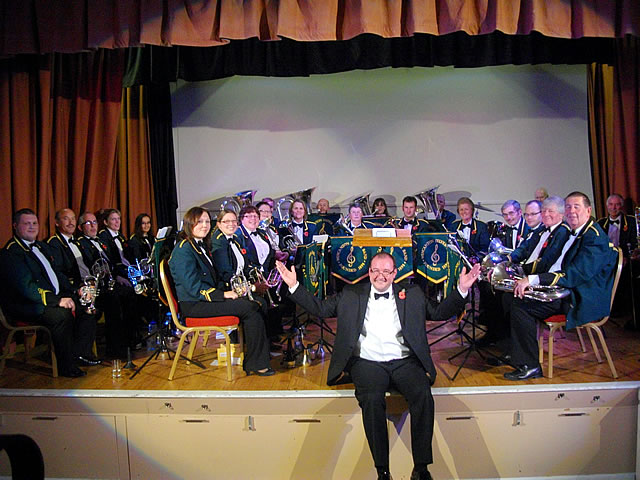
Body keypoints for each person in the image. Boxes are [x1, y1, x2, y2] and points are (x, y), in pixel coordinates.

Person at [276, 252, 481, 480]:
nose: (380, 276)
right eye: (375, 270)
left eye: (386, 271)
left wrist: (462, 290)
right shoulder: (351, 294)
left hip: (404, 361)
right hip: (367, 362)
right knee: (372, 400)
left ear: (394, 274)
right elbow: (321, 309)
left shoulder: (412, 293)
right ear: (369, 272)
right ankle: (382, 471)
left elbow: (439, 312)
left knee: (423, 395)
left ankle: (421, 468)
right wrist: (294, 286)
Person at [504, 192, 618, 381]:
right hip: (564, 289)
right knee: (511, 296)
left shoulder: (595, 238)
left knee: (520, 306)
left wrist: (533, 280)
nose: (571, 211)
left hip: (579, 297)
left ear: (588, 211)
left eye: (576, 207)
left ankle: (530, 365)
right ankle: (516, 353)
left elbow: (574, 275)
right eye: (568, 207)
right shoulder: (576, 232)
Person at [168, 207, 274, 376]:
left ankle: (258, 357)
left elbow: (213, 278)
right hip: (194, 305)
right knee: (250, 307)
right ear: (189, 224)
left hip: (205, 300)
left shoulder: (200, 246)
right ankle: (255, 362)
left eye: (207, 222)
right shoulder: (183, 250)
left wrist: (234, 291)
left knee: (256, 303)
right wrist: (223, 294)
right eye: (199, 222)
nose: (204, 225)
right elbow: (193, 287)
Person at [0, 209, 98, 377]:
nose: (32, 227)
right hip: (27, 305)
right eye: (27, 223)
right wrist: (56, 301)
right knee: (61, 315)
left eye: (34, 223)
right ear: (15, 226)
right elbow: (26, 287)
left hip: (51, 298)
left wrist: (77, 290)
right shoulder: (10, 252)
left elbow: (57, 274)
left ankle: (80, 353)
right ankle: (65, 366)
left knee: (87, 304)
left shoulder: (40, 247)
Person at [597, 193, 638, 316]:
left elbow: (635, 243)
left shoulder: (631, 222)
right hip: (606, 262)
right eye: (611, 204)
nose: (613, 208)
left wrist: (626, 258)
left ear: (622, 206)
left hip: (626, 261)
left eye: (617, 205)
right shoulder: (600, 223)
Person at [210, 209, 247, 288]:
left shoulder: (236, 239)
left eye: (234, 221)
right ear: (219, 224)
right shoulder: (218, 242)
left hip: (240, 282)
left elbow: (245, 262)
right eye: (226, 221)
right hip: (227, 287)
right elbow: (225, 272)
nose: (231, 224)